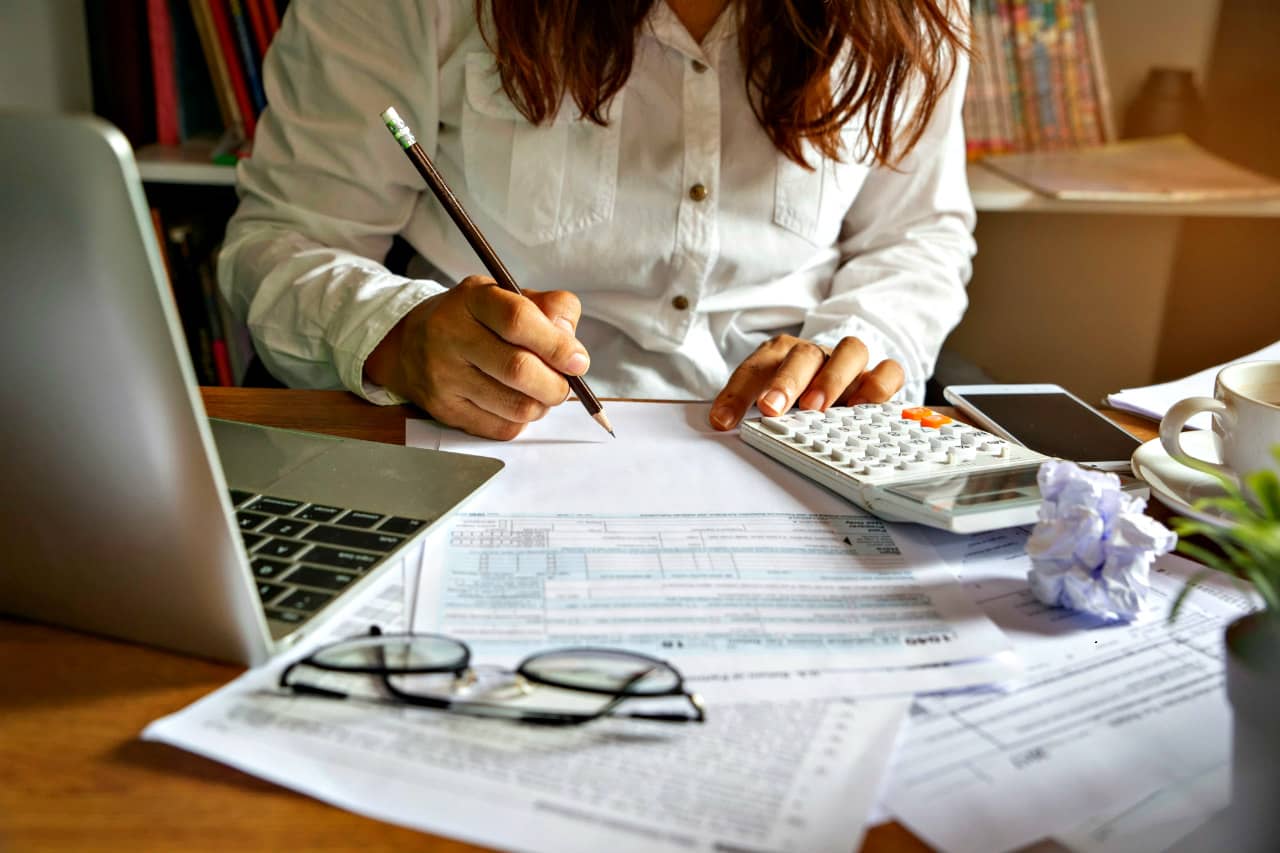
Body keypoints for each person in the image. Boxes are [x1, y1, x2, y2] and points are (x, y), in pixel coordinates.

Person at [219, 0, 975, 440]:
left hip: (797, 448)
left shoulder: (913, 13)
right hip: (480, 445)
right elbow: (284, 239)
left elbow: (916, 236)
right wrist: (394, 334)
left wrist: (857, 347)